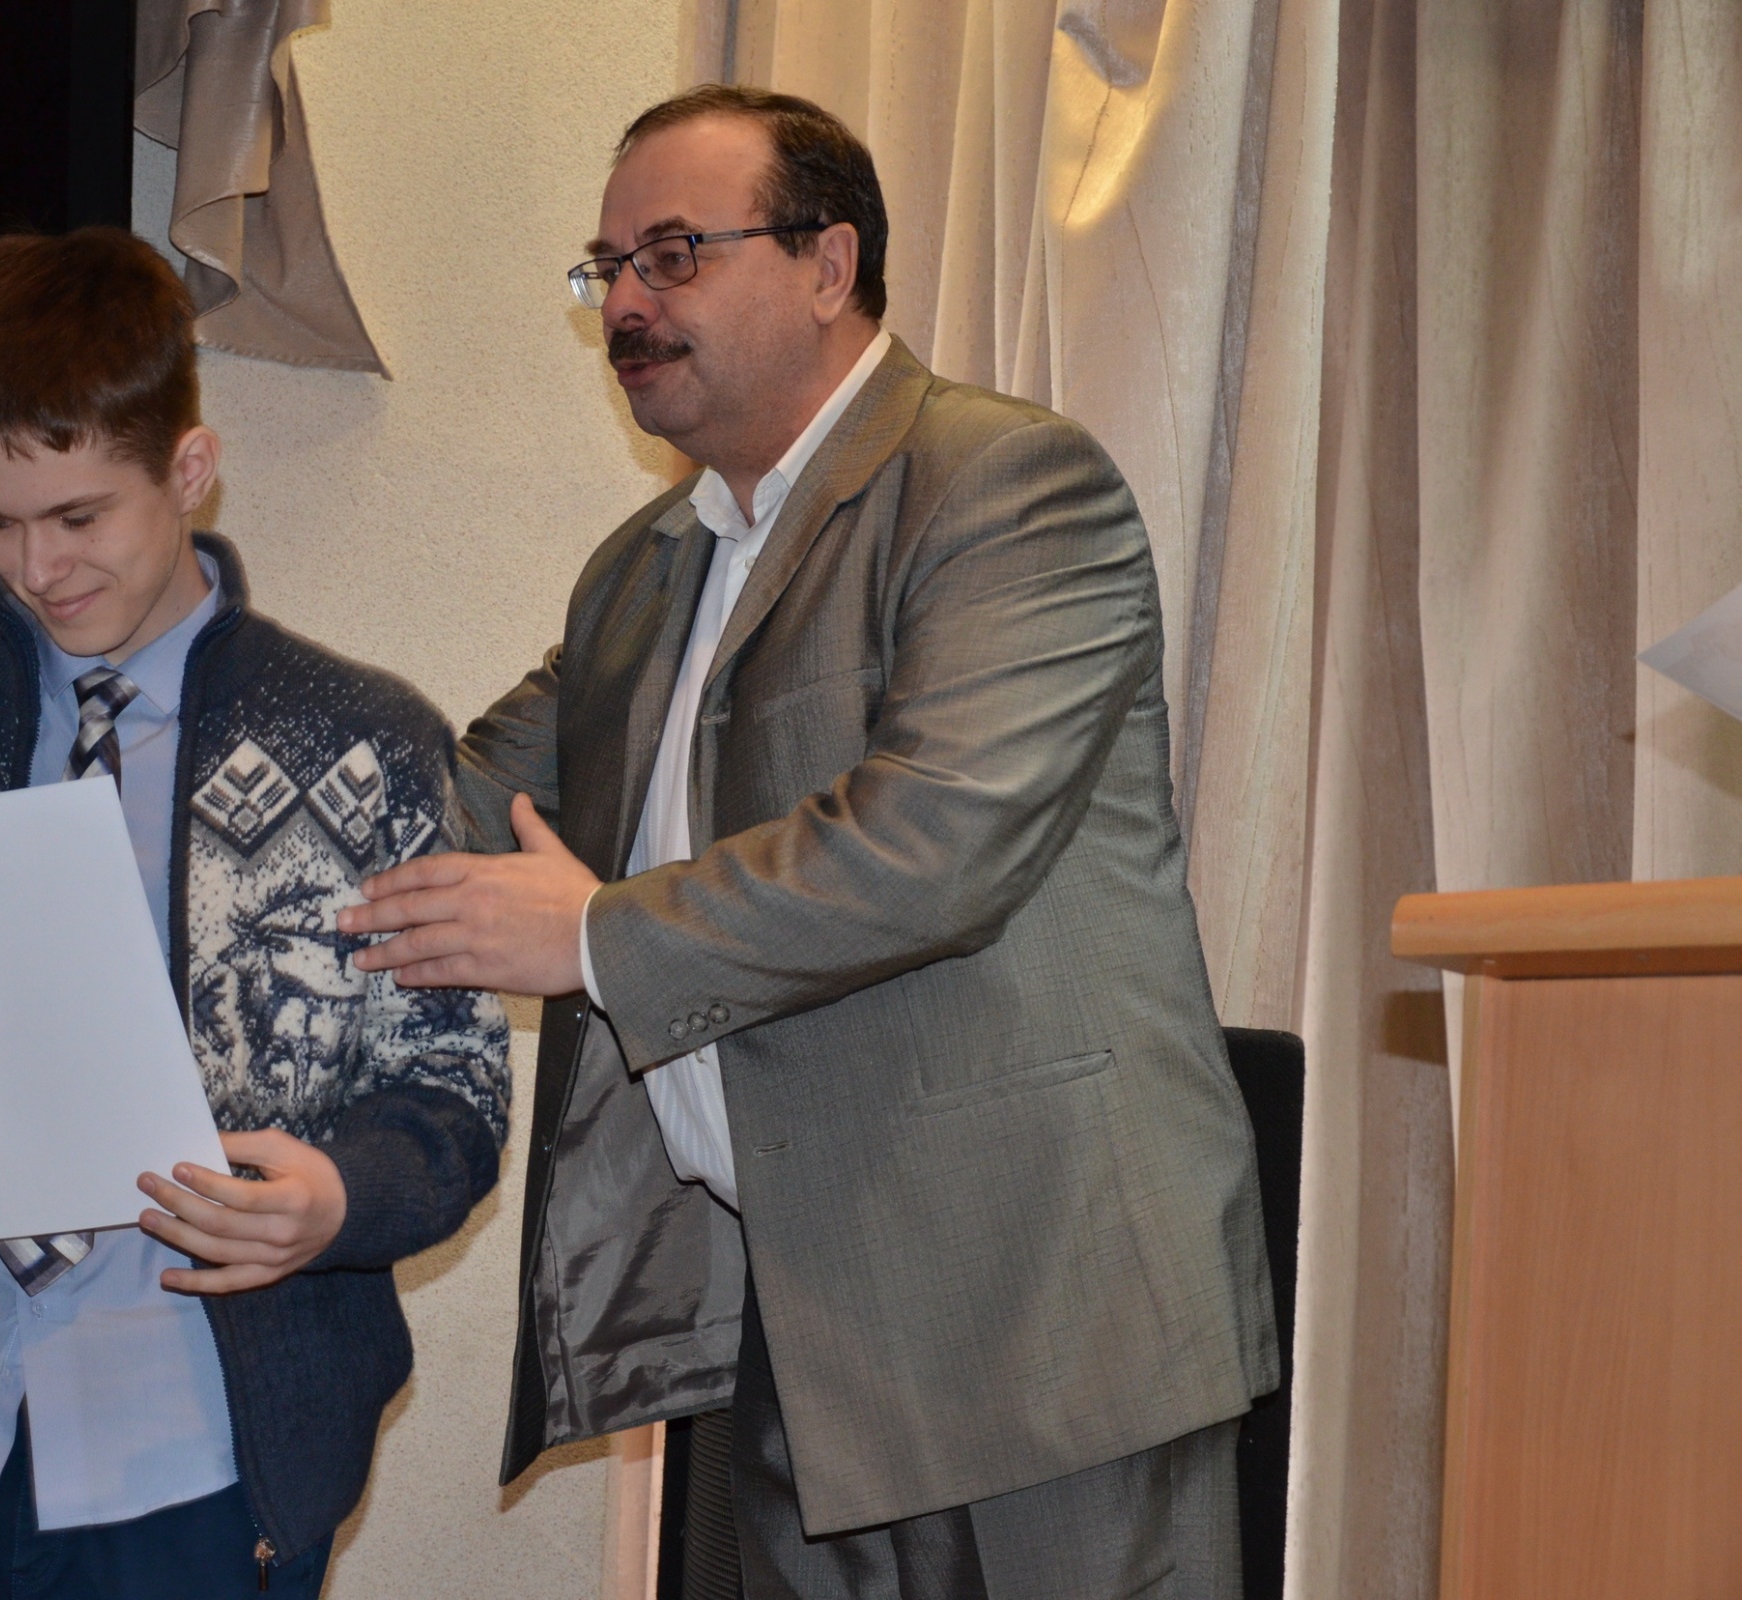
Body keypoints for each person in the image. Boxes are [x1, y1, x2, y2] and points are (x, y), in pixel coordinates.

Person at [336, 86, 1277, 1599]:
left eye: (673, 255)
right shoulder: (644, 570)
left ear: (829, 265)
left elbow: (933, 844)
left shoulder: (1005, 486)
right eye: (608, 267)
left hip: (1041, 1322)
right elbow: (444, 810)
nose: (626, 303)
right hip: (792, 1320)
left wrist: (591, 936)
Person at [0, 228, 509, 1600]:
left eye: (79, 516)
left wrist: (336, 1200)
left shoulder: (367, 742)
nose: (37, 566)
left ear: (190, 470)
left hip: (202, 1457)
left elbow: (454, 1093)